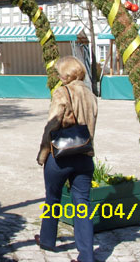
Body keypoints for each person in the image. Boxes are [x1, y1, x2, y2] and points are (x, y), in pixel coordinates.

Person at [35, 56, 98, 262]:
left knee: (52, 198)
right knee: (83, 204)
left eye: (60, 71)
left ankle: (47, 240)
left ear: (67, 73)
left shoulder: (62, 92)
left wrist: (43, 153)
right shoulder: (90, 94)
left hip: (61, 156)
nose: (58, 75)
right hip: (84, 154)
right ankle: (87, 256)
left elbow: (52, 125)